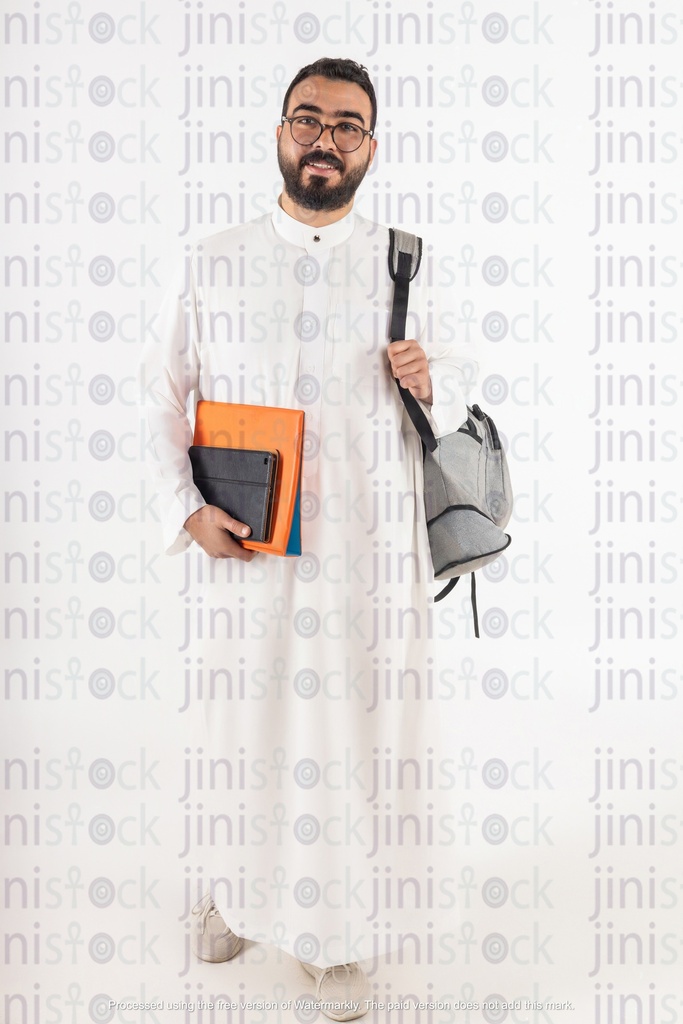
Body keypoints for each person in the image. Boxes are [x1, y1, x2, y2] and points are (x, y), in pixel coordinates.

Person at [141, 58, 473, 1022]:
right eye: (307, 118)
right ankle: (237, 892)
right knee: (241, 732)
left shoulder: (405, 258)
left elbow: (458, 400)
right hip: (248, 552)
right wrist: (183, 510)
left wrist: (425, 375)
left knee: (353, 743)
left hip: (369, 562)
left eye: (347, 125)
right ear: (280, 131)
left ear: (371, 145)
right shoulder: (213, 257)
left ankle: (337, 934)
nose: (324, 138)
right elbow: (162, 394)